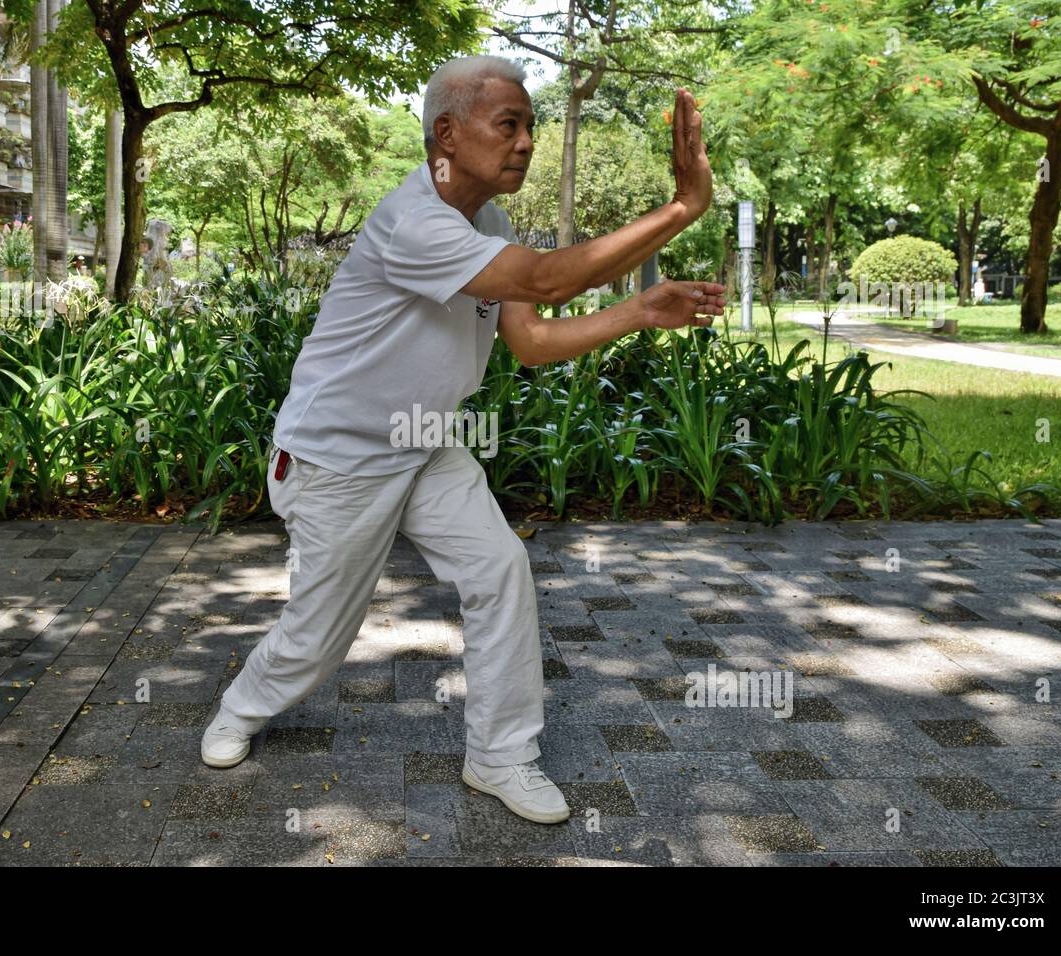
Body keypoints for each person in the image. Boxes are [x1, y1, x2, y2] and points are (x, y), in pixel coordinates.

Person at [201, 55, 722, 825]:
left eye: (531, 127)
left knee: (501, 568)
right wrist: (681, 208)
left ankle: (502, 756)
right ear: (447, 133)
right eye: (508, 125)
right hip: (337, 459)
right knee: (318, 638)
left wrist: (641, 311)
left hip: (425, 442)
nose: (525, 143)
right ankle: (241, 707)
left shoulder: (489, 222)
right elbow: (546, 281)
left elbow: (532, 338)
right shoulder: (414, 222)